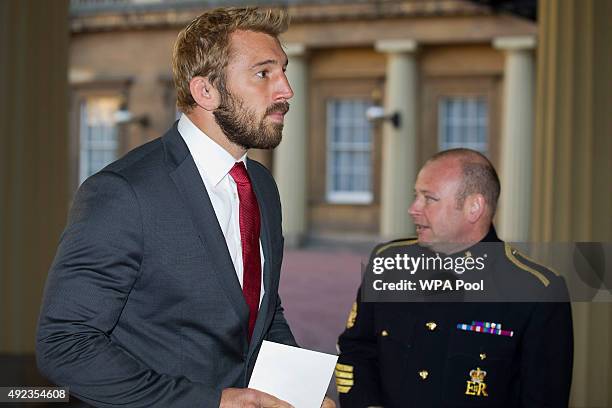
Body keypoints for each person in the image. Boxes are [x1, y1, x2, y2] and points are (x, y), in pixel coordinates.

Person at [37, 7, 334, 408]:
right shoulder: (123, 193)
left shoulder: (261, 186)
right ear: (205, 91)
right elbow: (65, 344)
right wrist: (212, 401)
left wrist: (296, 396)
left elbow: (263, 313)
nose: (286, 90)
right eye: (264, 73)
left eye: (283, 70)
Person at [336, 148, 573, 407]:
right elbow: (357, 350)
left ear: (474, 207)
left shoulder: (536, 290)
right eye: (416, 196)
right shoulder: (388, 261)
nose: (413, 209)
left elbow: (543, 398)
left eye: (429, 198)